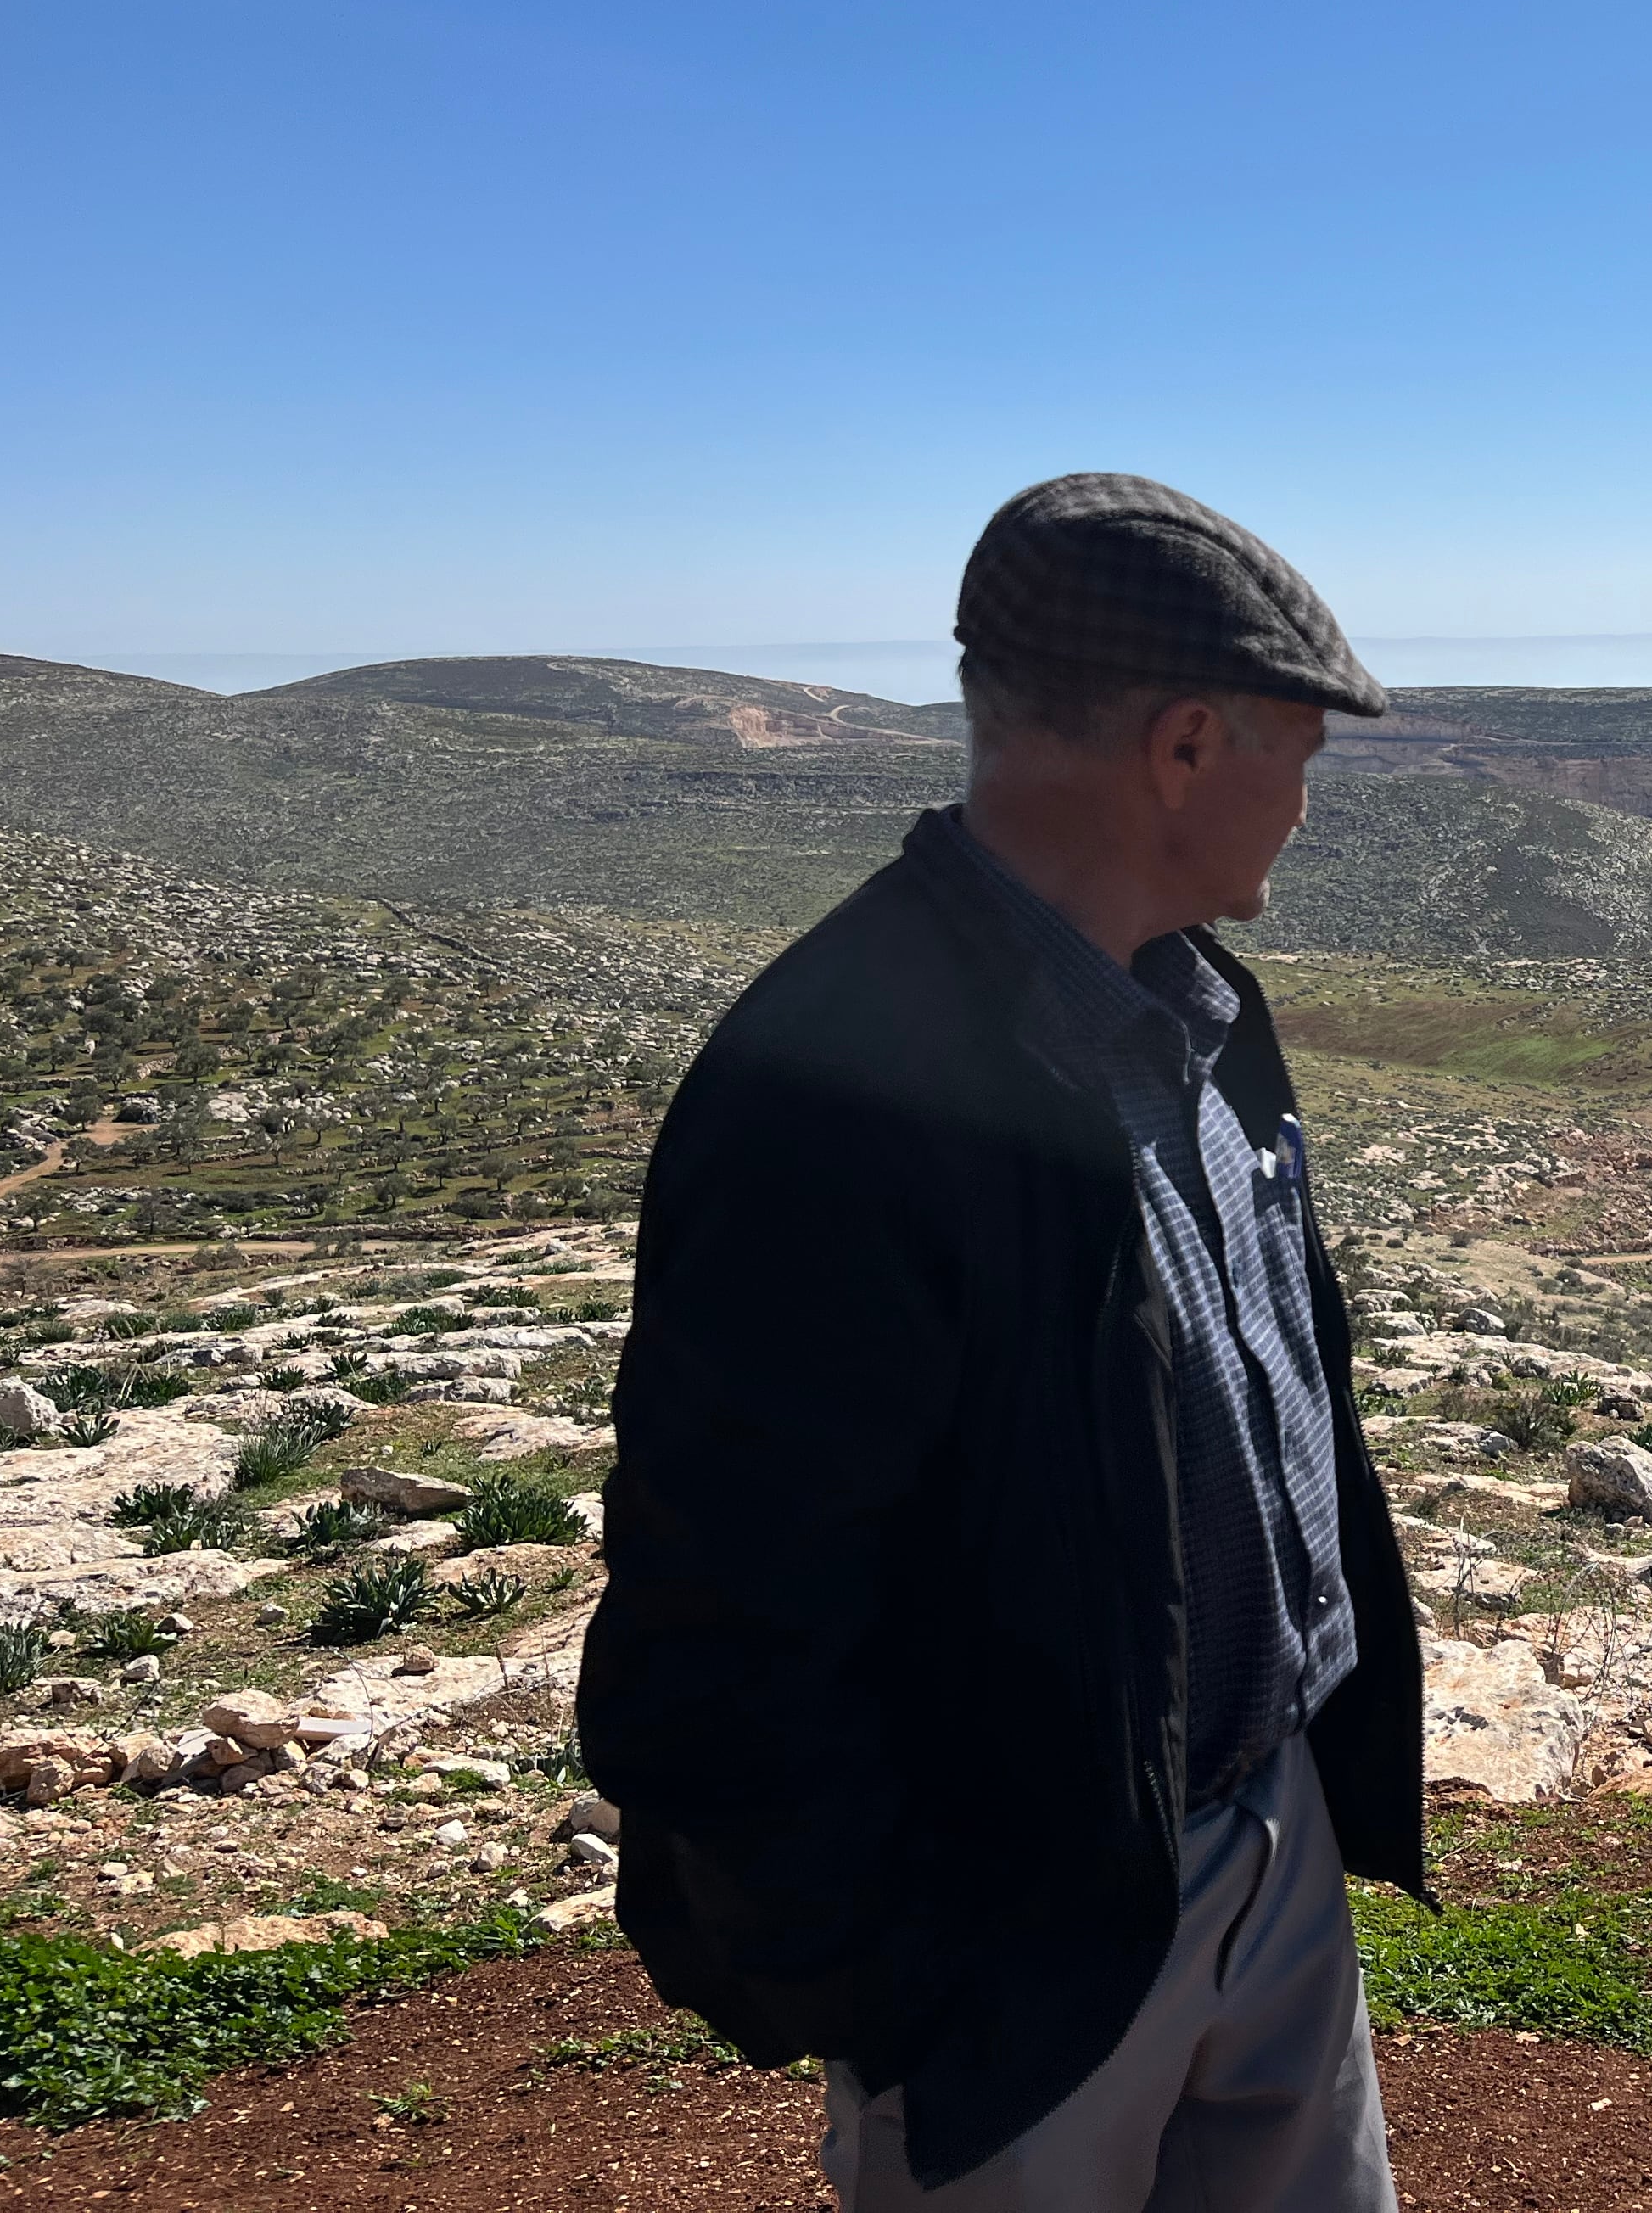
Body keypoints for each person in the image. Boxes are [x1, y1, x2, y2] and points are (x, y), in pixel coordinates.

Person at [580, 473, 1424, 2213]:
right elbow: (725, 1606)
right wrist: (892, 1983)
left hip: (1270, 1846)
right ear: (1185, 746)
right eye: (1300, 755)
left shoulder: (1206, 1009)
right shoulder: (833, 1087)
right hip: (1013, 1937)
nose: (1306, 805)